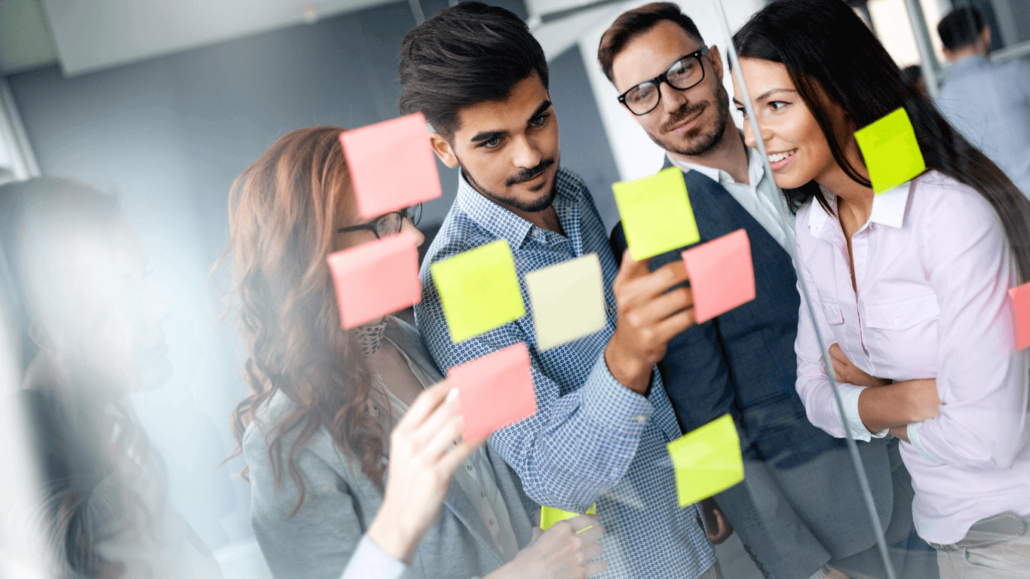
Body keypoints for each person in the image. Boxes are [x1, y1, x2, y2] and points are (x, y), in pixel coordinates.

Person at [596, 4, 935, 578]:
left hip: (937, 449)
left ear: (716, 63)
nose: (671, 102)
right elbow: (701, 416)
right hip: (833, 508)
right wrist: (793, 562)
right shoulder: (648, 225)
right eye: (642, 94)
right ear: (630, 110)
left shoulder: (811, 143)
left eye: (681, 71)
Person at [403, 3, 717, 579]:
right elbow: (553, 472)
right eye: (493, 142)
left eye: (539, 120)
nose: (530, 157)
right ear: (443, 149)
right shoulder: (458, 281)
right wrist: (629, 350)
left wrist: (698, 490)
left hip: (691, 535)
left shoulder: (567, 194)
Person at [218, 126, 605, 579]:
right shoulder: (284, 438)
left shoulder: (411, 338)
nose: (415, 237)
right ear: (315, 248)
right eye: (383, 224)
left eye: (403, 214)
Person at [733, 0, 1030, 577]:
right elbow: (814, 394)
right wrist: (915, 396)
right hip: (950, 537)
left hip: (1013, 529)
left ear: (841, 94)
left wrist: (877, 403)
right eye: (746, 110)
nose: (754, 133)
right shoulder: (813, 227)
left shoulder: (946, 217)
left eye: (776, 105)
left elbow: (993, 436)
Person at [1, 177, 223, 579]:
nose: (159, 308)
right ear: (49, 329)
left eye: (145, 278)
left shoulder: (110, 417)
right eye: (123, 289)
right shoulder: (18, 462)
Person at [935, 6, 1030, 196]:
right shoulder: (1017, 74)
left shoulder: (940, 103)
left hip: (1000, 209)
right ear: (986, 34)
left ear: (945, 52)